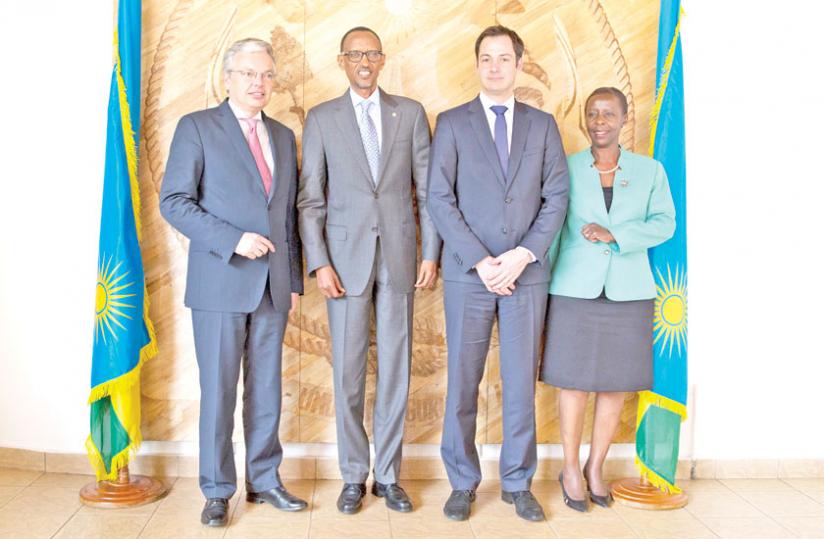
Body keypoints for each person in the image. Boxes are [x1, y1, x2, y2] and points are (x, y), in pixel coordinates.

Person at [159, 38, 307, 527]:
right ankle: (218, 490)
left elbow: (286, 215)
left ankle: (264, 481)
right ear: (228, 77)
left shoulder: (284, 136)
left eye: (266, 74)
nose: (258, 83)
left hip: (272, 287)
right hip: (220, 281)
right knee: (220, 390)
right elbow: (174, 201)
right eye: (248, 74)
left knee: (266, 389)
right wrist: (234, 239)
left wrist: (291, 280)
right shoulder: (197, 127)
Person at [427, 25, 569, 522]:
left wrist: (522, 255)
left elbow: (556, 198)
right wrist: (483, 261)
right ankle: (462, 481)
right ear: (477, 64)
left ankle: (517, 482)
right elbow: (439, 199)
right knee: (463, 383)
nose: (494, 66)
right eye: (486, 58)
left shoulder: (543, 125)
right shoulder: (451, 123)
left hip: (525, 277)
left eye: (503, 58)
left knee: (518, 384)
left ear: (519, 63)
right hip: (471, 277)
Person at [297, 26, 440, 515]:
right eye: (355, 54)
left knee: (396, 370)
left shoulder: (411, 113)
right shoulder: (321, 119)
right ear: (342, 61)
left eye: (372, 54)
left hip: (400, 258)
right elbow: (311, 199)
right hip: (342, 264)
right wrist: (318, 262)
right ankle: (353, 476)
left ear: (382, 60)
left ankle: (389, 476)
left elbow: (427, 193)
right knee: (348, 375)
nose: (364, 61)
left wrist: (431, 252)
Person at [541, 87, 676, 512]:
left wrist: (617, 235)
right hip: (573, 288)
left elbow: (665, 223)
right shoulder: (564, 168)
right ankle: (569, 468)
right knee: (574, 383)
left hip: (628, 291)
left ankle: (595, 466)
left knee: (615, 385)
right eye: (593, 114)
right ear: (585, 120)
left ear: (623, 118)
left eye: (608, 114)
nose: (600, 121)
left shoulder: (649, 170)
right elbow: (552, 226)